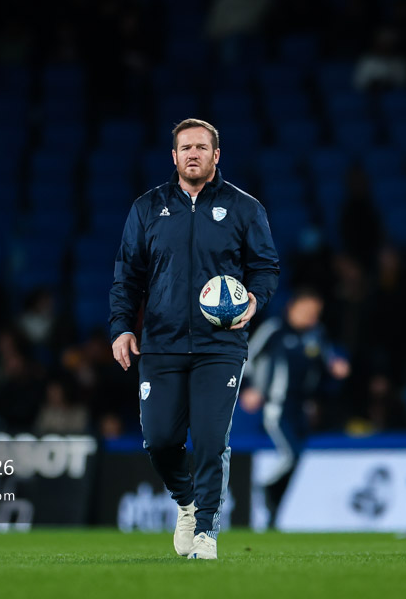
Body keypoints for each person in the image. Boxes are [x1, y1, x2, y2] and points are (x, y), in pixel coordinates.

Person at [110, 118, 279, 560]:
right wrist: (122, 327)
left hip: (220, 345)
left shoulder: (244, 208)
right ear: (174, 156)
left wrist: (254, 303)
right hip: (161, 343)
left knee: (208, 439)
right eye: (185, 147)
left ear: (215, 155)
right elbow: (127, 276)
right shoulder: (147, 208)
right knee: (160, 438)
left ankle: (206, 529)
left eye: (201, 147)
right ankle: (185, 502)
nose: (192, 154)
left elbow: (265, 268)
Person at [239, 288, 349, 529]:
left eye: (315, 312)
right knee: (292, 454)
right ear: (292, 307)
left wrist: (336, 368)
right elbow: (248, 356)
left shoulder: (317, 334)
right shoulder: (274, 330)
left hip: (303, 409)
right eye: (306, 310)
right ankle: (267, 487)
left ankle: (273, 509)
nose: (311, 316)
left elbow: (327, 363)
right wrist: (249, 388)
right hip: (277, 408)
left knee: (297, 458)